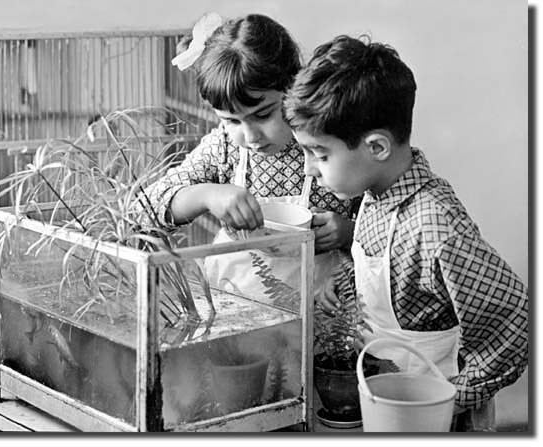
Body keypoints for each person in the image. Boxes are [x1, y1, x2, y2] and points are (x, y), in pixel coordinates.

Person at [283, 34, 528, 431]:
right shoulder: (375, 196)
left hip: (440, 416)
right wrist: (347, 285)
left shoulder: (435, 226)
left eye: (320, 154)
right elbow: (405, 284)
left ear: (376, 146)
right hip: (394, 403)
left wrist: (452, 398)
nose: (310, 168)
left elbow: (515, 320)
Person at [145, 13, 359, 303]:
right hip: (238, 318)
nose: (251, 135)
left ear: (293, 87)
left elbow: (386, 221)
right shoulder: (224, 149)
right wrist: (206, 195)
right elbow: (144, 211)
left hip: (324, 322)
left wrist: (349, 234)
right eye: (232, 121)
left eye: (263, 114)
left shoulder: (328, 140)